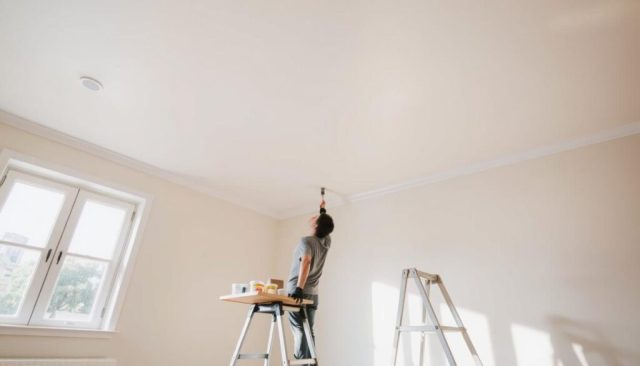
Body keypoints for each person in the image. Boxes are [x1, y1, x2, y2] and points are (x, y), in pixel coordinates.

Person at [287, 198, 334, 362]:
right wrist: (322, 211)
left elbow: (306, 261)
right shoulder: (326, 241)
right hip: (314, 294)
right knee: (309, 329)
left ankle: (301, 362)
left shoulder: (306, 241)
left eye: (316, 218)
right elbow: (325, 228)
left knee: (299, 329)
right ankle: (311, 362)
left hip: (299, 292)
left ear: (316, 225)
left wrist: (298, 288)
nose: (313, 217)